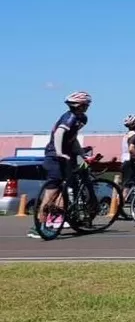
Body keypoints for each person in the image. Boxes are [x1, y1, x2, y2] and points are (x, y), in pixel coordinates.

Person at [31, 91, 92, 239]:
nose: (87, 107)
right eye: (85, 105)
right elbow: (59, 133)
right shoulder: (69, 117)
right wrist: (59, 152)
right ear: (79, 105)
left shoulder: (80, 118)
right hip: (54, 156)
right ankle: (38, 226)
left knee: (64, 187)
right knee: (52, 190)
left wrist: (81, 154)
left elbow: (73, 138)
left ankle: (59, 217)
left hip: (65, 156)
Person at [120, 114, 135, 194]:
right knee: (126, 188)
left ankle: (119, 203)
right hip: (130, 162)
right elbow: (131, 148)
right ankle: (120, 204)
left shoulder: (127, 135)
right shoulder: (134, 135)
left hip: (124, 161)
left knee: (125, 186)